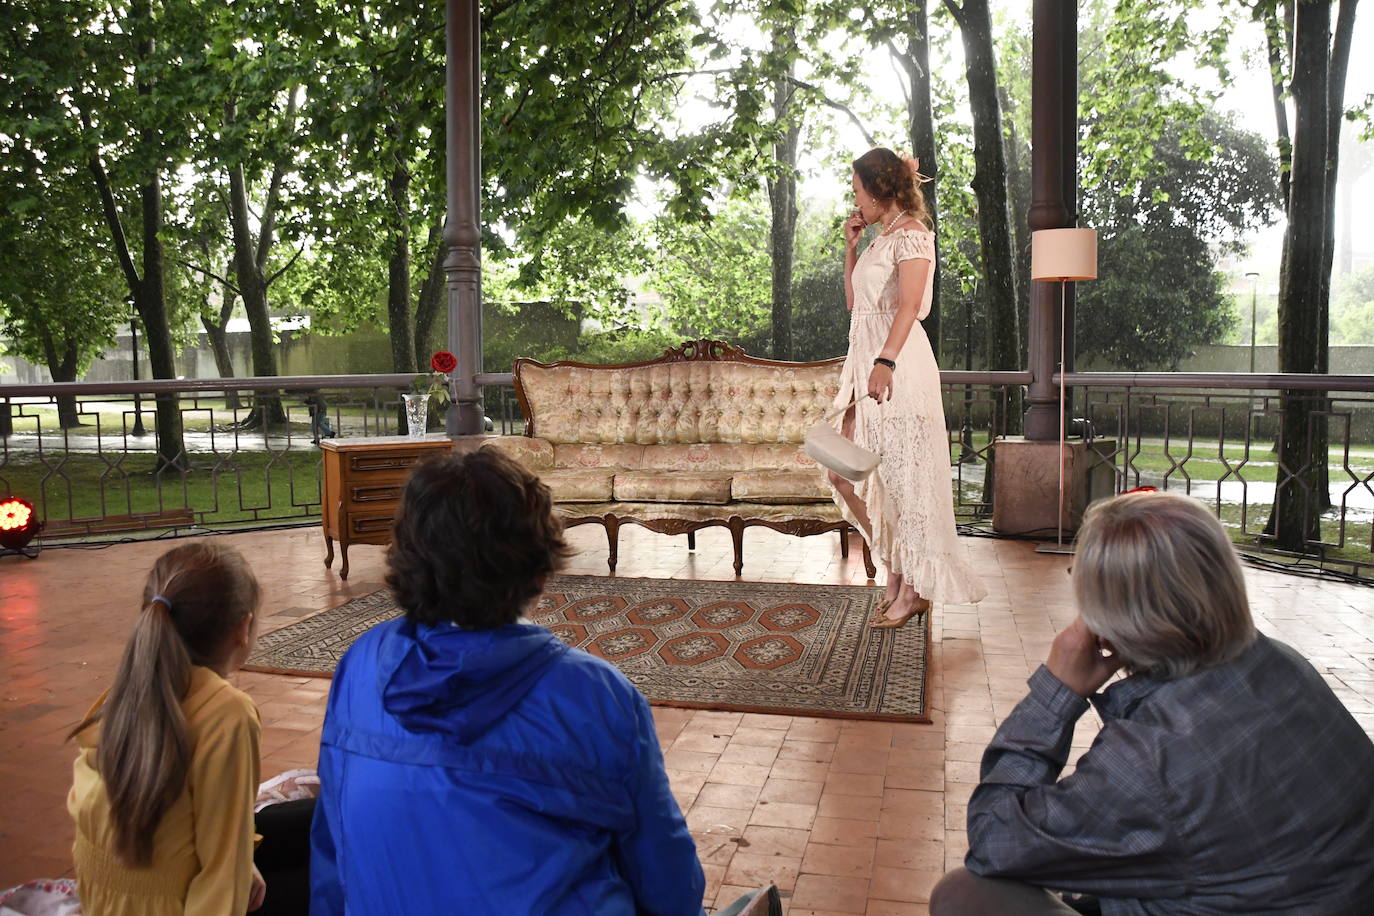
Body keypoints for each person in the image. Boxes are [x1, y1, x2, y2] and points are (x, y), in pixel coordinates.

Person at [931, 491, 1374, 915]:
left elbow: (995, 840)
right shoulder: (1279, 662)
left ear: (1105, 618)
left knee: (967, 895)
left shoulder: (1154, 760)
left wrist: (1057, 692)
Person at [310, 448, 707, 914]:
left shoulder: (361, 664)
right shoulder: (593, 694)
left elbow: (332, 843)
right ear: (540, 571)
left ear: (407, 554)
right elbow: (667, 881)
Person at [829, 147, 986, 626]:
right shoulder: (880, 239)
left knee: (903, 478)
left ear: (878, 190)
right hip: (864, 366)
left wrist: (886, 361)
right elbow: (858, 306)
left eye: (858, 189)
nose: (855, 197)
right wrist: (851, 247)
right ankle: (897, 569)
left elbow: (911, 306)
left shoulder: (914, 236)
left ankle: (913, 588)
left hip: (896, 368)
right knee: (844, 469)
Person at [67, 542, 268, 915]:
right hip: (175, 905)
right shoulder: (228, 714)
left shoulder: (126, 689)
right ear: (244, 628)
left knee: (289, 826)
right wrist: (240, 865)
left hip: (105, 903)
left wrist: (244, 861)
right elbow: (224, 875)